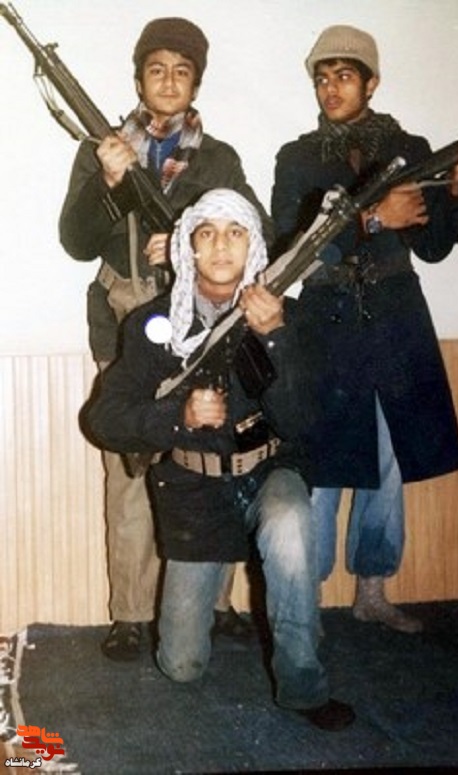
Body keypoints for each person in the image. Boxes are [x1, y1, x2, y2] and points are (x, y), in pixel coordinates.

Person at [82, 188, 355, 732]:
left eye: (236, 233)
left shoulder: (287, 316)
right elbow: (103, 419)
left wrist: (274, 338)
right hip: (196, 492)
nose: (222, 245)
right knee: (180, 666)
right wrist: (178, 416)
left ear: (254, 246)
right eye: (206, 233)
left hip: (269, 471)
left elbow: (304, 421)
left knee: (291, 522)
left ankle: (303, 685)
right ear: (188, 247)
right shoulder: (152, 325)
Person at [59, 17, 270, 660]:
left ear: (195, 83)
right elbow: (75, 242)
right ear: (139, 80)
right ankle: (129, 613)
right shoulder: (102, 151)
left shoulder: (219, 158)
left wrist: (185, 239)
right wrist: (110, 183)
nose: (169, 81)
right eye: (157, 69)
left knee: (213, 459)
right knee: (129, 469)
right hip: (126, 321)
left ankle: (218, 603)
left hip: (203, 322)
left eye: (182, 71)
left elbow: (256, 232)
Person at [271, 25, 458, 633]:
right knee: (320, 463)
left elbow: (435, 246)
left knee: (388, 457)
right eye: (322, 78)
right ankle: (306, 597)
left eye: (344, 76)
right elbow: (291, 248)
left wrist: (456, 185)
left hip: (395, 316)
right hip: (325, 317)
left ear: (372, 83)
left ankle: (372, 589)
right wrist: (371, 219)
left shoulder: (410, 148)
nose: (330, 89)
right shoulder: (297, 157)